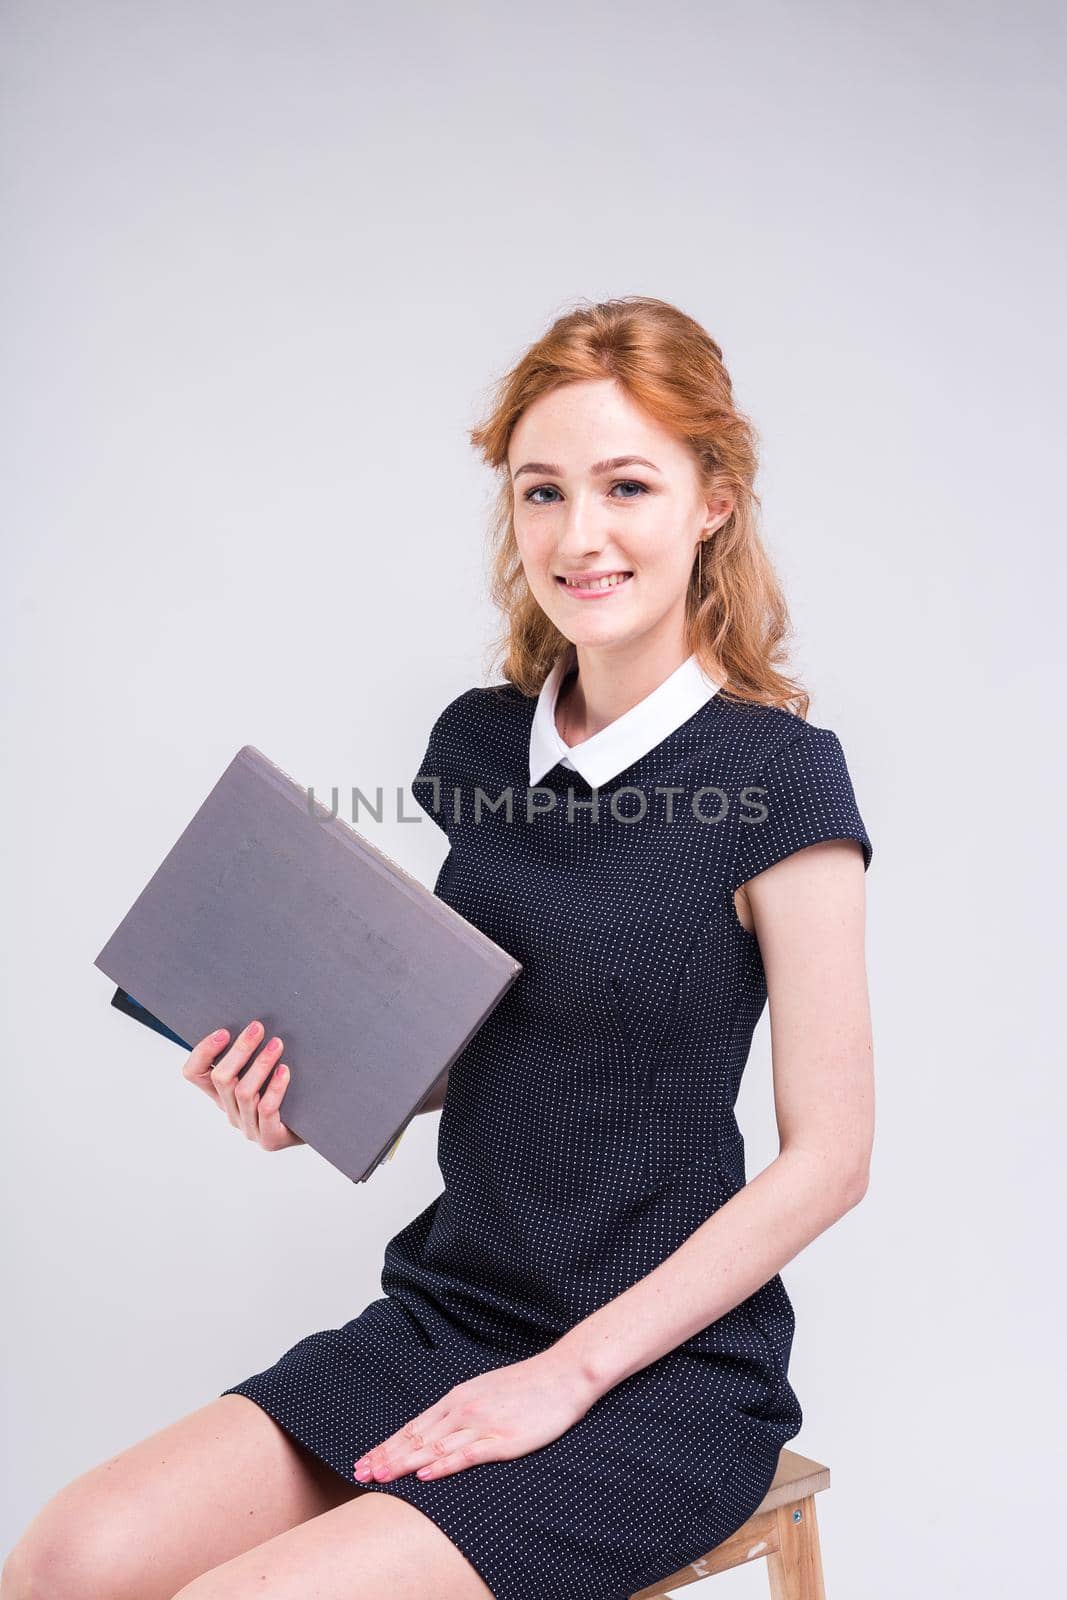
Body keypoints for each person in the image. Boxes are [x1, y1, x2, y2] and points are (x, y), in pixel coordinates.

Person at [2, 296, 875, 1600]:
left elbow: (834, 1160)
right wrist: (321, 1088)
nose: (579, 535)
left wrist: (566, 1376)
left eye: (627, 485)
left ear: (713, 504)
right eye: (542, 492)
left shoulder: (778, 786)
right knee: (65, 1561)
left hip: (656, 1377)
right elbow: (501, 1037)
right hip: (449, 1317)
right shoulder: (476, 749)